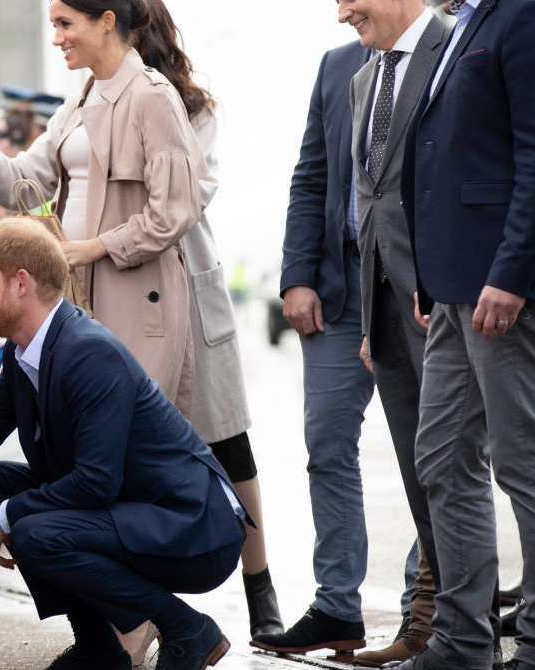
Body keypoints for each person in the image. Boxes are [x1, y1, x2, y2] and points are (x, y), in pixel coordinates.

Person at [0, 219, 246, 670]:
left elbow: (96, 482)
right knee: (0, 484)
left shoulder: (88, 351)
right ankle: (98, 648)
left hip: (192, 524)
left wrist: (10, 516)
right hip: (137, 506)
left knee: (34, 529)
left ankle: (187, 627)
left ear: (21, 284)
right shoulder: (25, 349)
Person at [0, 0, 205, 412]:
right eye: (52, 25)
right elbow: (23, 183)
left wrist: (97, 246)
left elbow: (173, 212)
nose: (57, 38)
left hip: (137, 299)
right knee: (83, 432)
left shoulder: (153, 96)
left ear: (106, 22)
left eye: (66, 24)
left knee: (126, 437)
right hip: (76, 293)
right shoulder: (78, 103)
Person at [133, 0, 284, 648]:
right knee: (131, 455)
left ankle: (262, 588)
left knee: (230, 444)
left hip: (190, 295)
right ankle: (142, 612)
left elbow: (186, 198)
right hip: (122, 298)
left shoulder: (194, 108)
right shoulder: (91, 107)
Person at [398, 0, 535, 667]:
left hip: (500, 289)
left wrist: (513, 272)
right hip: (451, 288)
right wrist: (428, 275)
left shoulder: (522, 14)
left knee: (522, 463)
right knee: (443, 460)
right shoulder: (464, 26)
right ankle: (461, 645)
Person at [335, 0, 452, 666]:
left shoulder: (455, 50)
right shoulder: (363, 78)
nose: (342, 12)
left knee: (468, 472)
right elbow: (368, 201)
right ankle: (435, 626)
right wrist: (368, 318)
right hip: (387, 312)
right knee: (420, 473)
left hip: (449, 303)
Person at [257, 32, 375, 661]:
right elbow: (311, 176)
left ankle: (429, 598)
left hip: (418, 293)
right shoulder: (337, 66)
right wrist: (298, 275)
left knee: (438, 459)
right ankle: (338, 606)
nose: (344, 10)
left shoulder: (450, 50)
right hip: (338, 292)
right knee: (327, 447)